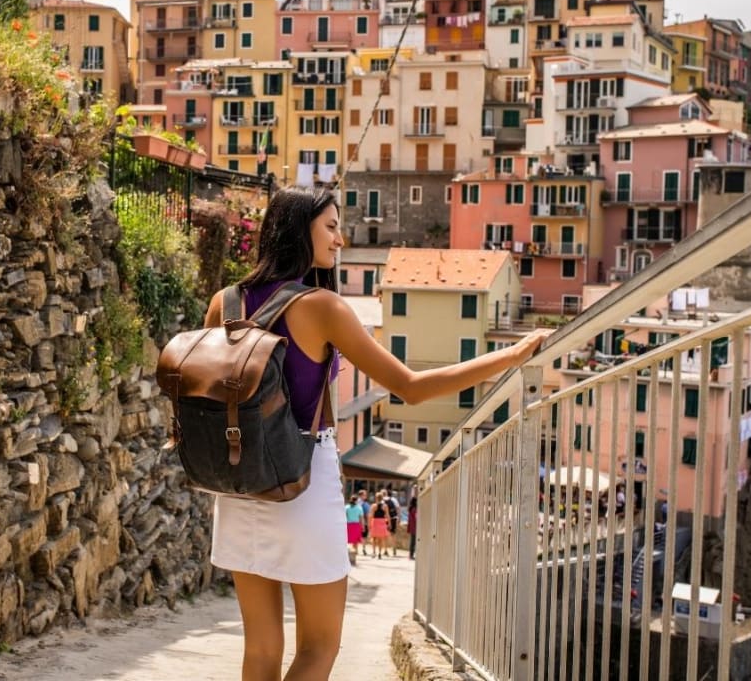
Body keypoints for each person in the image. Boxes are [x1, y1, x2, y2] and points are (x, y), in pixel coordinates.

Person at [203, 187, 548, 680]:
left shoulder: (225, 301)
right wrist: (510, 357)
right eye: (330, 226)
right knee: (319, 646)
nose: (340, 239)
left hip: (238, 482)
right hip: (300, 482)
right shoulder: (322, 306)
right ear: (300, 229)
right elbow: (410, 386)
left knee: (259, 650)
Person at [368, 490, 391, 558]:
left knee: (374, 538)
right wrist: (389, 523)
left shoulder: (373, 506)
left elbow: (370, 515)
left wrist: (369, 524)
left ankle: (374, 552)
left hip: (375, 522)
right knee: (381, 539)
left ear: (376, 498)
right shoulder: (385, 506)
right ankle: (380, 553)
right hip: (382, 522)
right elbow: (387, 515)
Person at [344, 496, 364, 565]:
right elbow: (361, 518)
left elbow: (344, 517)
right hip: (356, 525)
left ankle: (346, 554)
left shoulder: (346, 507)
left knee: (347, 540)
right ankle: (354, 555)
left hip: (348, 525)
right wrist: (363, 526)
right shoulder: (359, 508)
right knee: (355, 541)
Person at [383, 489, 400, 556]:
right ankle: (394, 549)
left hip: (385, 519)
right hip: (393, 518)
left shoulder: (382, 501)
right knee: (393, 534)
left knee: (385, 535)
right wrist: (399, 517)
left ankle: (385, 550)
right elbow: (398, 508)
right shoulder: (393, 499)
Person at [407, 494, 418, 559]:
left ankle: (410, 555)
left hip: (412, 527)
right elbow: (416, 518)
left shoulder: (410, 509)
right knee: (414, 542)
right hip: (415, 527)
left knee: (412, 542)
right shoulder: (414, 510)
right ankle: (411, 555)